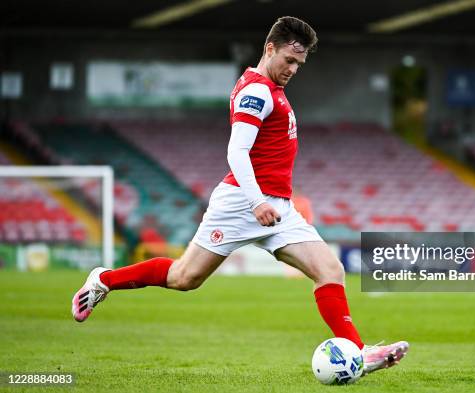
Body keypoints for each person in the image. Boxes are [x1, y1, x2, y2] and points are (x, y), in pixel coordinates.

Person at [72, 16, 408, 375]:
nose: (293, 69)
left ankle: (357, 353)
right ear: (270, 48)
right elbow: (237, 151)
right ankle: (103, 280)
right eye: (289, 60)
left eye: (299, 64)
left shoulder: (269, 89)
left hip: (278, 207)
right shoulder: (256, 92)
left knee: (330, 270)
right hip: (242, 204)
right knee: (184, 278)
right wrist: (256, 201)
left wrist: (268, 202)